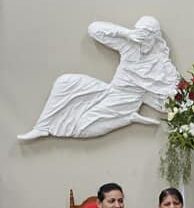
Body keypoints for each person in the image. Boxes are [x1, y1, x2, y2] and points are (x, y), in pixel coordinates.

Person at [18, 17, 177, 140]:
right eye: (140, 31)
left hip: (124, 101)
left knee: (83, 127)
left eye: (148, 33)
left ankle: (126, 118)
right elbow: (94, 29)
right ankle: (42, 127)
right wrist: (127, 33)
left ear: (156, 36)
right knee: (64, 81)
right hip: (109, 90)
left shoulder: (162, 65)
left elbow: (168, 100)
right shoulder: (129, 46)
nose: (143, 36)